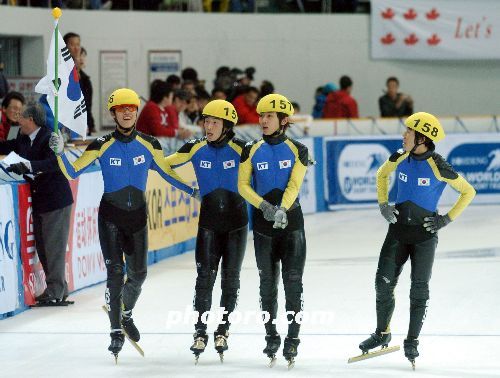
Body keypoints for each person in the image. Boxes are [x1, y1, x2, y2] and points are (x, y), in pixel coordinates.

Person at [49, 88, 198, 358]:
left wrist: (192, 191)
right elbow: (72, 172)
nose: (127, 112)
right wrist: (60, 153)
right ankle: (116, 330)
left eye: (131, 107)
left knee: (139, 274)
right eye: (121, 108)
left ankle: (126, 312)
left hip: (138, 218)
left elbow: (167, 172)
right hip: (111, 217)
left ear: (136, 111)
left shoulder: (150, 144)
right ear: (114, 113)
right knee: (116, 274)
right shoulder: (101, 144)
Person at [359, 112, 476, 368]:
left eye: (408, 132)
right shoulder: (399, 157)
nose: (404, 135)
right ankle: (382, 333)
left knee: (418, 291)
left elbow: (468, 191)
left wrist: (446, 219)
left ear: (422, 138)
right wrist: (383, 205)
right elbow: (381, 174)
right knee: (382, 283)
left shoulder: (439, 165)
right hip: (398, 233)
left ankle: (412, 340)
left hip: (424, 237)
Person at [166, 100, 247, 362]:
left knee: (230, 281)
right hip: (209, 224)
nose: (208, 126)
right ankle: (200, 330)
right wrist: (189, 190)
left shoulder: (242, 150)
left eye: (214, 122)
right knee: (204, 279)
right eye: (205, 121)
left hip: (236, 225)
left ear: (227, 126)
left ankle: (223, 329)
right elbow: (163, 165)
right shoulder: (195, 147)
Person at [238, 93, 309, 367]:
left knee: (293, 284)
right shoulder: (251, 149)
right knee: (267, 285)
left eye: (269, 116)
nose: (263, 121)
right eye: (261, 116)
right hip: (263, 225)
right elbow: (243, 185)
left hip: (292, 225)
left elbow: (294, 184)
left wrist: (281, 209)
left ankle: (292, 338)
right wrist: (265, 207)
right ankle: (271, 335)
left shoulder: (298, 149)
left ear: (283, 120)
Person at [0, 103, 73, 305]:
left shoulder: (50, 137)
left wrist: (29, 165)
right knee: (43, 247)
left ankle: (56, 291)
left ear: (31, 119)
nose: (18, 121)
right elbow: (7, 147)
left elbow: (54, 162)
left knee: (54, 248)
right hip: (41, 200)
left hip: (56, 200)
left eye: (21, 117)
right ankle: (58, 288)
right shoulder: (23, 138)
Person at [63, 32, 95, 135]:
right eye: (72, 44)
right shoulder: (62, 72)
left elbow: (87, 105)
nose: (76, 48)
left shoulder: (85, 79)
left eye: (78, 44)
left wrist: (90, 123)